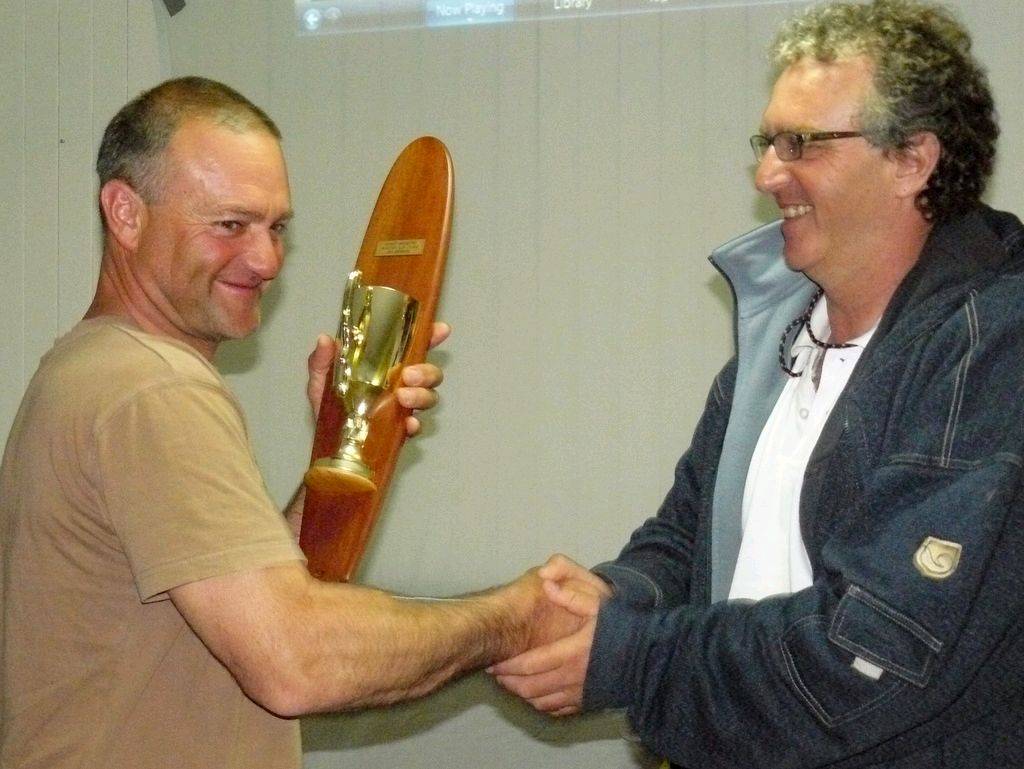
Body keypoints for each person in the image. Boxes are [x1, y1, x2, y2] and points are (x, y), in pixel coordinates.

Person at [491, 1, 1024, 766]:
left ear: (912, 159)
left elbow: (872, 652)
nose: (768, 173)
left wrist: (632, 657)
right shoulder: (782, 337)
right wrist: (609, 597)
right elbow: (689, 538)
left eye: (800, 143)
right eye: (767, 142)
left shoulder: (991, 347)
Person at [0, 77, 580, 769]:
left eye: (277, 228)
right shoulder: (153, 389)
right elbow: (296, 662)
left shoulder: (89, 366)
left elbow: (263, 602)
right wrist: (513, 618)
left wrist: (344, 438)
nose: (266, 259)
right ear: (125, 213)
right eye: (230, 224)